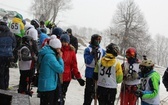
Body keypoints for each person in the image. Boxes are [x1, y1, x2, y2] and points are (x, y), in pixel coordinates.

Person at [37, 36, 64, 105]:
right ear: (55, 48)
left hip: (46, 84)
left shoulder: (46, 53)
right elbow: (60, 69)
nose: (60, 51)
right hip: (48, 86)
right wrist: (60, 58)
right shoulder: (50, 57)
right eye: (59, 49)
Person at [59, 33, 85, 104]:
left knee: (62, 95)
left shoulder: (71, 51)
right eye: (62, 41)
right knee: (57, 95)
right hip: (58, 76)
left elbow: (74, 66)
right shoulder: (58, 49)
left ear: (68, 42)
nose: (64, 43)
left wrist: (78, 77)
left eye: (65, 42)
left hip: (66, 77)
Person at [83, 34, 105, 105]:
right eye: (96, 40)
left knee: (99, 94)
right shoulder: (88, 50)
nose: (98, 41)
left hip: (99, 74)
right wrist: (92, 54)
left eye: (99, 40)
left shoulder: (102, 50)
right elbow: (87, 61)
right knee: (88, 94)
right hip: (90, 73)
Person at [0, 19, 16, 90]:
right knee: (6, 71)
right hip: (8, 56)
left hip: (0, 56)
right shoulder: (11, 33)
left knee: (1, 72)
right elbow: (14, 44)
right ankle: (6, 86)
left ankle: (1, 87)